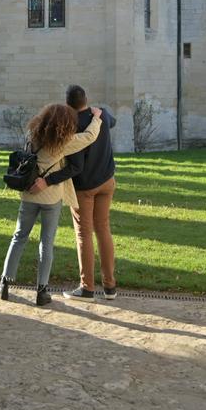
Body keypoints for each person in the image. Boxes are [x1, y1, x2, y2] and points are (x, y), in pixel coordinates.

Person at [0, 101, 104, 306]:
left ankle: (5, 283)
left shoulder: (32, 135)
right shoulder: (64, 142)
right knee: (46, 243)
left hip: (28, 195)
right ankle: (42, 290)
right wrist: (97, 117)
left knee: (19, 237)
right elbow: (90, 137)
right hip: (51, 197)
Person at [57, 84, 118, 301]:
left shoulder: (72, 126)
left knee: (84, 234)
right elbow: (113, 122)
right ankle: (110, 287)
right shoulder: (100, 115)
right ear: (86, 100)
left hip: (85, 187)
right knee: (103, 230)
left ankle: (87, 288)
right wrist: (98, 113)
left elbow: (75, 165)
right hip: (107, 180)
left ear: (68, 104)